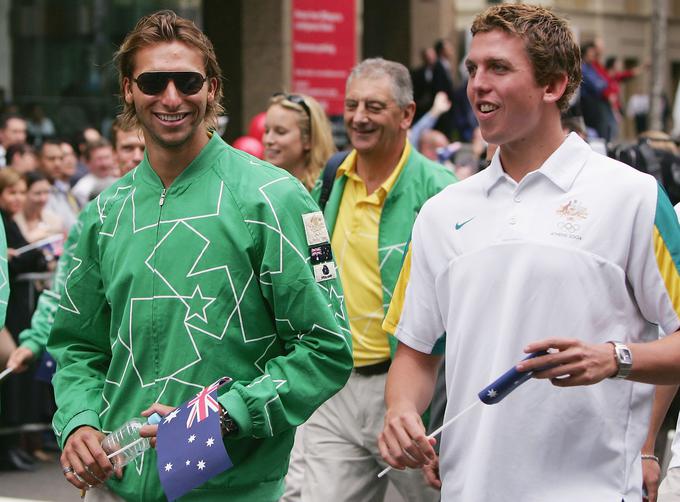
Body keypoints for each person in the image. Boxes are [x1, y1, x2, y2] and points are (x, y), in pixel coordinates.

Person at [378, 4, 680, 502]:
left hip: (595, 491)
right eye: (472, 69)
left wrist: (616, 358)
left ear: (553, 86)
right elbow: (415, 353)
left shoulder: (634, 196)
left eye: (498, 68)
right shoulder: (440, 212)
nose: (477, 84)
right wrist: (401, 413)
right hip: (468, 489)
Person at [47, 10, 352, 502]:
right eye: (153, 81)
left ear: (211, 88)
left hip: (231, 488)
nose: (171, 97)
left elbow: (325, 348)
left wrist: (221, 416)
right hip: (117, 486)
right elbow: (77, 346)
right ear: (128, 89)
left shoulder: (272, 197)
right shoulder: (104, 213)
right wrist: (79, 422)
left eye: (187, 81)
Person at [297, 57, 455, 502]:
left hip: (412, 390)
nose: (359, 117)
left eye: (374, 106)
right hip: (335, 386)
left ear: (407, 115)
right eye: (351, 105)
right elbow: (315, 266)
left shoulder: (440, 192)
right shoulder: (331, 180)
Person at [7, 121, 144, 381]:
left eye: (143, 147)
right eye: (128, 148)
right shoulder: (97, 214)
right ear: (115, 153)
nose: (136, 156)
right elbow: (65, 286)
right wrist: (34, 341)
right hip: (116, 362)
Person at [0, 168, 50, 471]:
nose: (17, 198)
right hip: (7, 313)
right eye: (12, 192)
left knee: (13, 372)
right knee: (10, 368)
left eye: (21, 192)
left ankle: (10, 444)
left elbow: (28, 258)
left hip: (15, 312)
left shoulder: (8, 223)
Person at [263, 93, 335, 191]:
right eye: (267, 131)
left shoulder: (327, 190)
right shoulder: (258, 185)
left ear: (308, 139)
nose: (268, 140)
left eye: (280, 132)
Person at [38, 139, 79, 232]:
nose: (57, 163)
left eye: (60, 158)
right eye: (51, 159)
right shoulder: (32, 192)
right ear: (39, 160)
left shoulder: (63, 189)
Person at [14, 171, 63, 244]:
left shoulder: (54, 220)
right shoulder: (13, 220)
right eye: (37, 193)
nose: (43, 198)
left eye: (46, 192)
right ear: (24, 193)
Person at [70, 137, 118, 206]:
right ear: (87, 162)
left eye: (107, 157)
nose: (104, 163)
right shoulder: (81, 189)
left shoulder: (122, 179)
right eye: (99, 159)